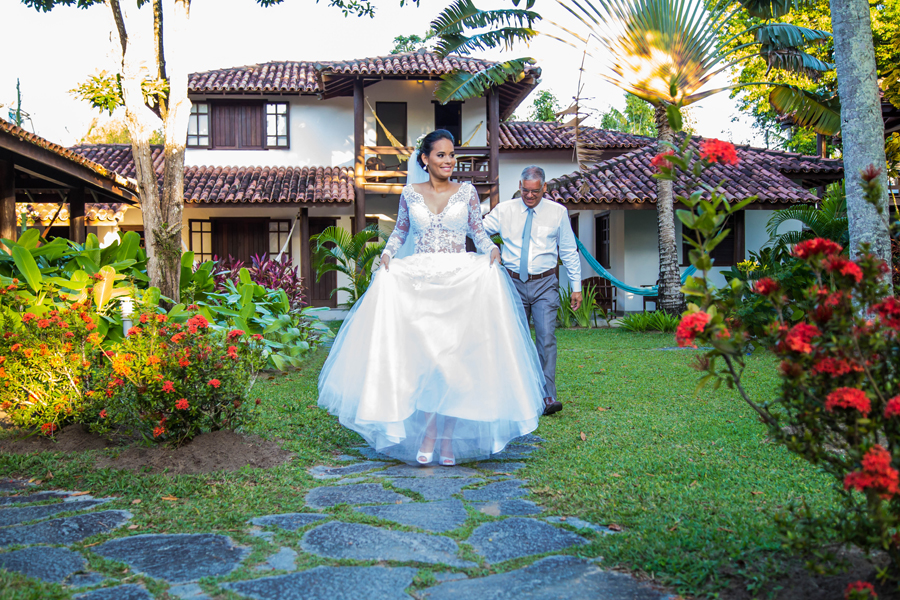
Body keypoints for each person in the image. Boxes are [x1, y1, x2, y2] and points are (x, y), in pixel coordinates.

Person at [318, 130, 545, 467]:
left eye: (452, 155)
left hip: (460, 282)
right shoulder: (410, 193)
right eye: (441, 155)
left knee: (454, 364)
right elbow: (400, 231)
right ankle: (427, 436)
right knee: (427, 361)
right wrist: (388, 254)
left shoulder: (467, 192)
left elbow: (477, 231)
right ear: (425, 159)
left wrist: (491, 249)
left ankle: (448, 439)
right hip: (420, 283)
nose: (449, 161)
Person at [482, 166, 582, 416]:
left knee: (546, 338)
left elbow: (569, 251)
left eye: (535, 192)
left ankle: (547, 396)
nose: (529, 196)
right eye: (525, 190)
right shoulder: (504, 210)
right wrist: (491, 251)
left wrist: (576, 287)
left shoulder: (558, 213)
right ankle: (514, 396)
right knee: (514, 340)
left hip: (544, 283)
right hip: (512, 283)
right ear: (519, 185)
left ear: (544, 188)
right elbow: (479, 231)